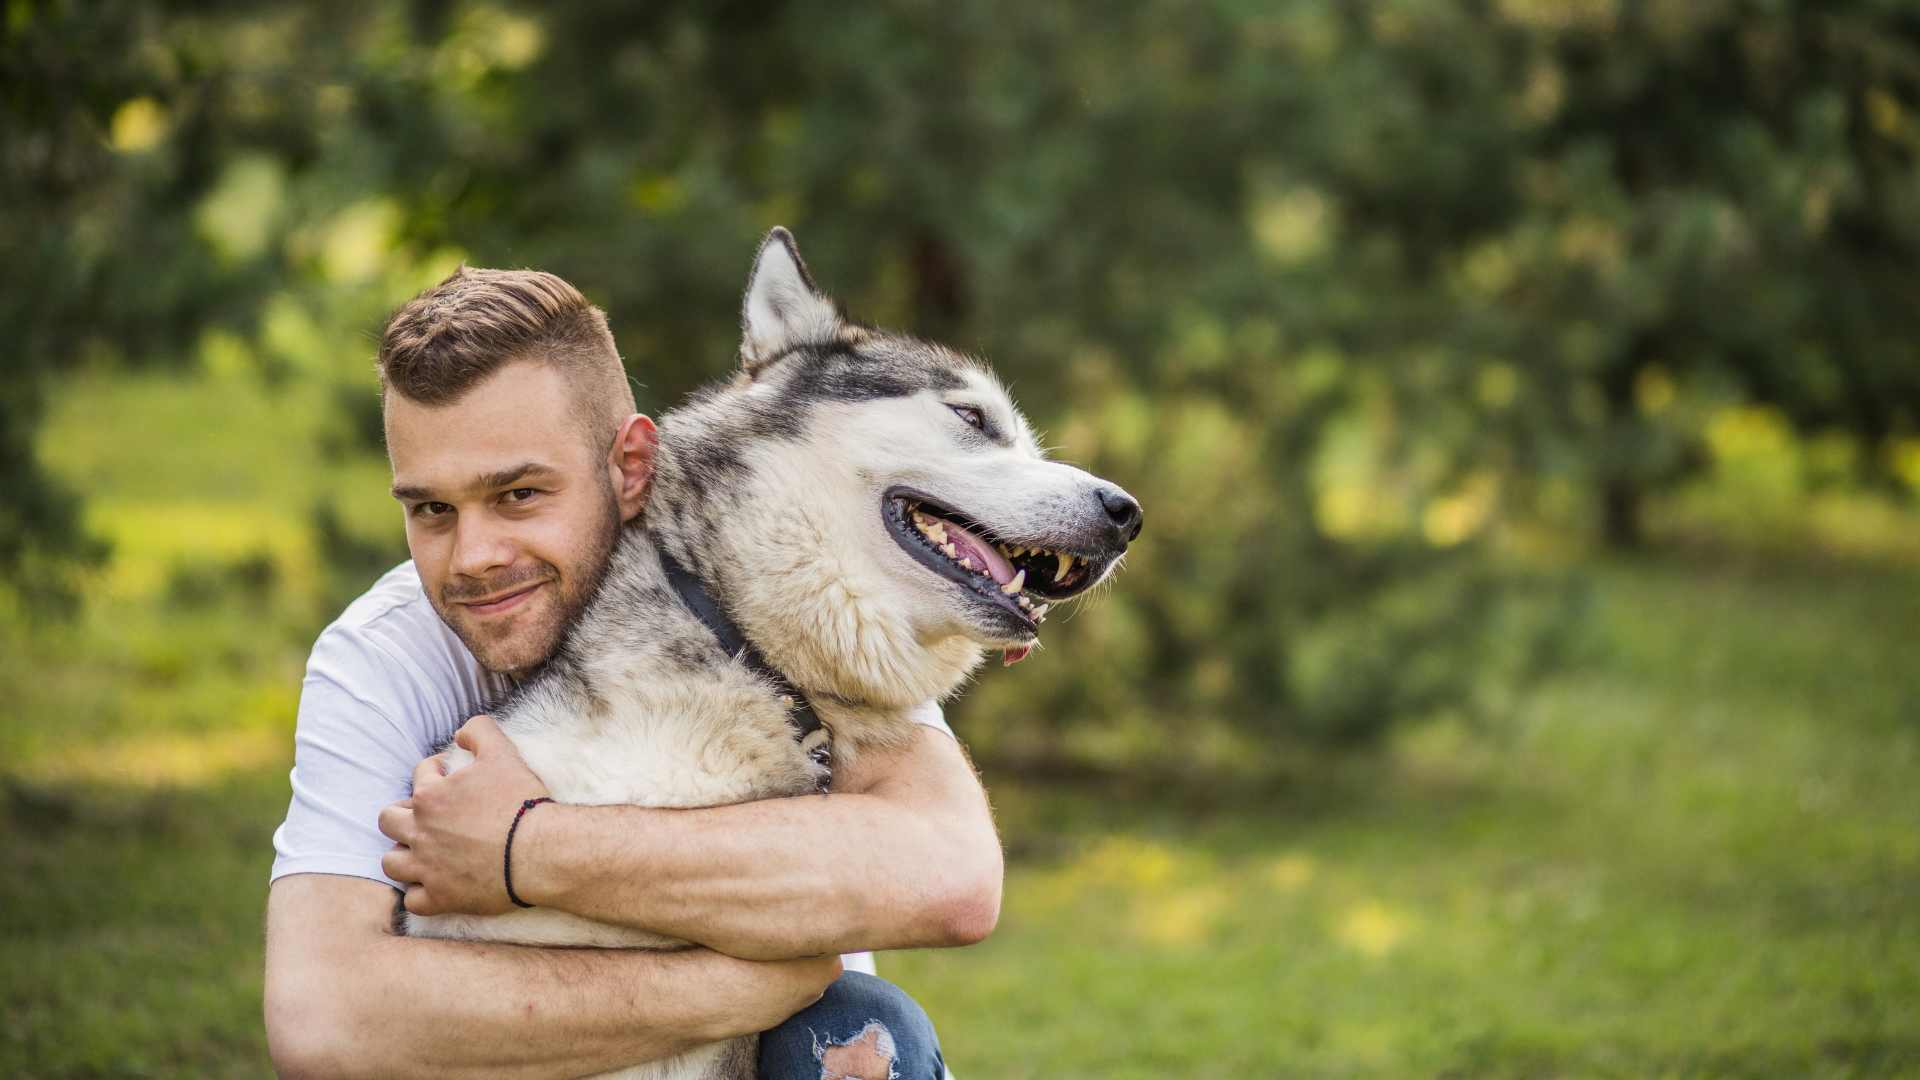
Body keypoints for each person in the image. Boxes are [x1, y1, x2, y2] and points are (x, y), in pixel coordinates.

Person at [262, 265, 1002, 1079]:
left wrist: (521, 848)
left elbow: (952, 876)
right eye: (432, 509)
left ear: (633, 466)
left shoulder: (778, 584)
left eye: (518, 494)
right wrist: (728, 991)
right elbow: (322, 1021)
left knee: (863, 1028)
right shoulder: (384, 651)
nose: (473, 558)